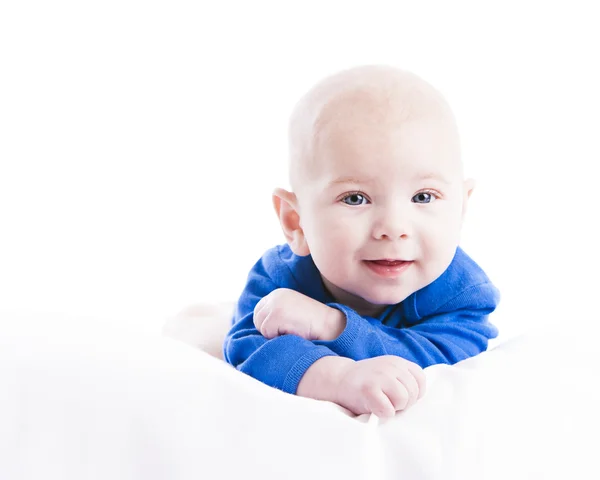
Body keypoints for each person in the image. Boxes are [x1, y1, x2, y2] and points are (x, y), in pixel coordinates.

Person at [223, 65, 500, 418]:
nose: (394, 228)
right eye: (355, 198)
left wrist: (333, 326)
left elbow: (444, 357)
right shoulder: (280, 278)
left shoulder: (463, 293)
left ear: (461, 208)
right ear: (296, 222)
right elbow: (247, 347)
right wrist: (336, 378)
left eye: (423, 197)